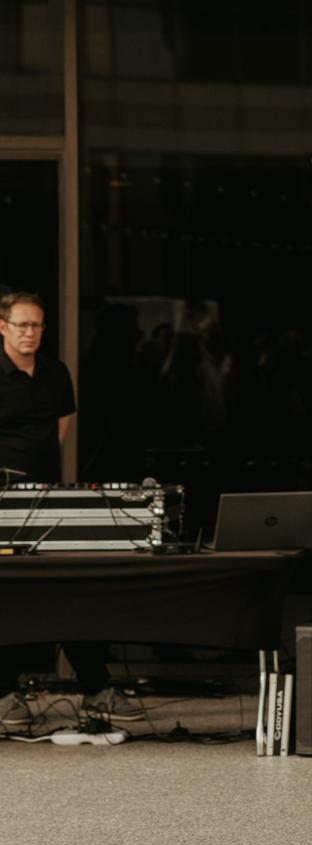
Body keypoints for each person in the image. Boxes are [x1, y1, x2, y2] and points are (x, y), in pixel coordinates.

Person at [0, 291, 126, 726]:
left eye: (37, 325)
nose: (30, 333)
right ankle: (5, 693)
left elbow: (59, 431)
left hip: (46, 498)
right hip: (2, 503)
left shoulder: (55, 372)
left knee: (66, 589)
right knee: (9, 594)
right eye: (22, 325)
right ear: (2, 327)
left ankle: (96, 686)